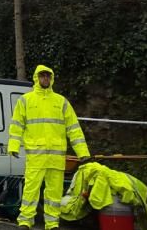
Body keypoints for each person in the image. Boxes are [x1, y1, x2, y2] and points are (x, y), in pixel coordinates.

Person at [8, 65, 91, 229]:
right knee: (31, 190)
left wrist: (83, 153)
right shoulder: (26, 100)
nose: (45, 79)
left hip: (56, 158)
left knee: (54, 193)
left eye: (47, 76)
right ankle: (25, 221)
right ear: (36, 78)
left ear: (51, 79)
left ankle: (52, 223)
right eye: (42, 76)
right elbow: (17, 125)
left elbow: (73, 128)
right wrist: (13, 146)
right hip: (36, 156)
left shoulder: (61, 102)